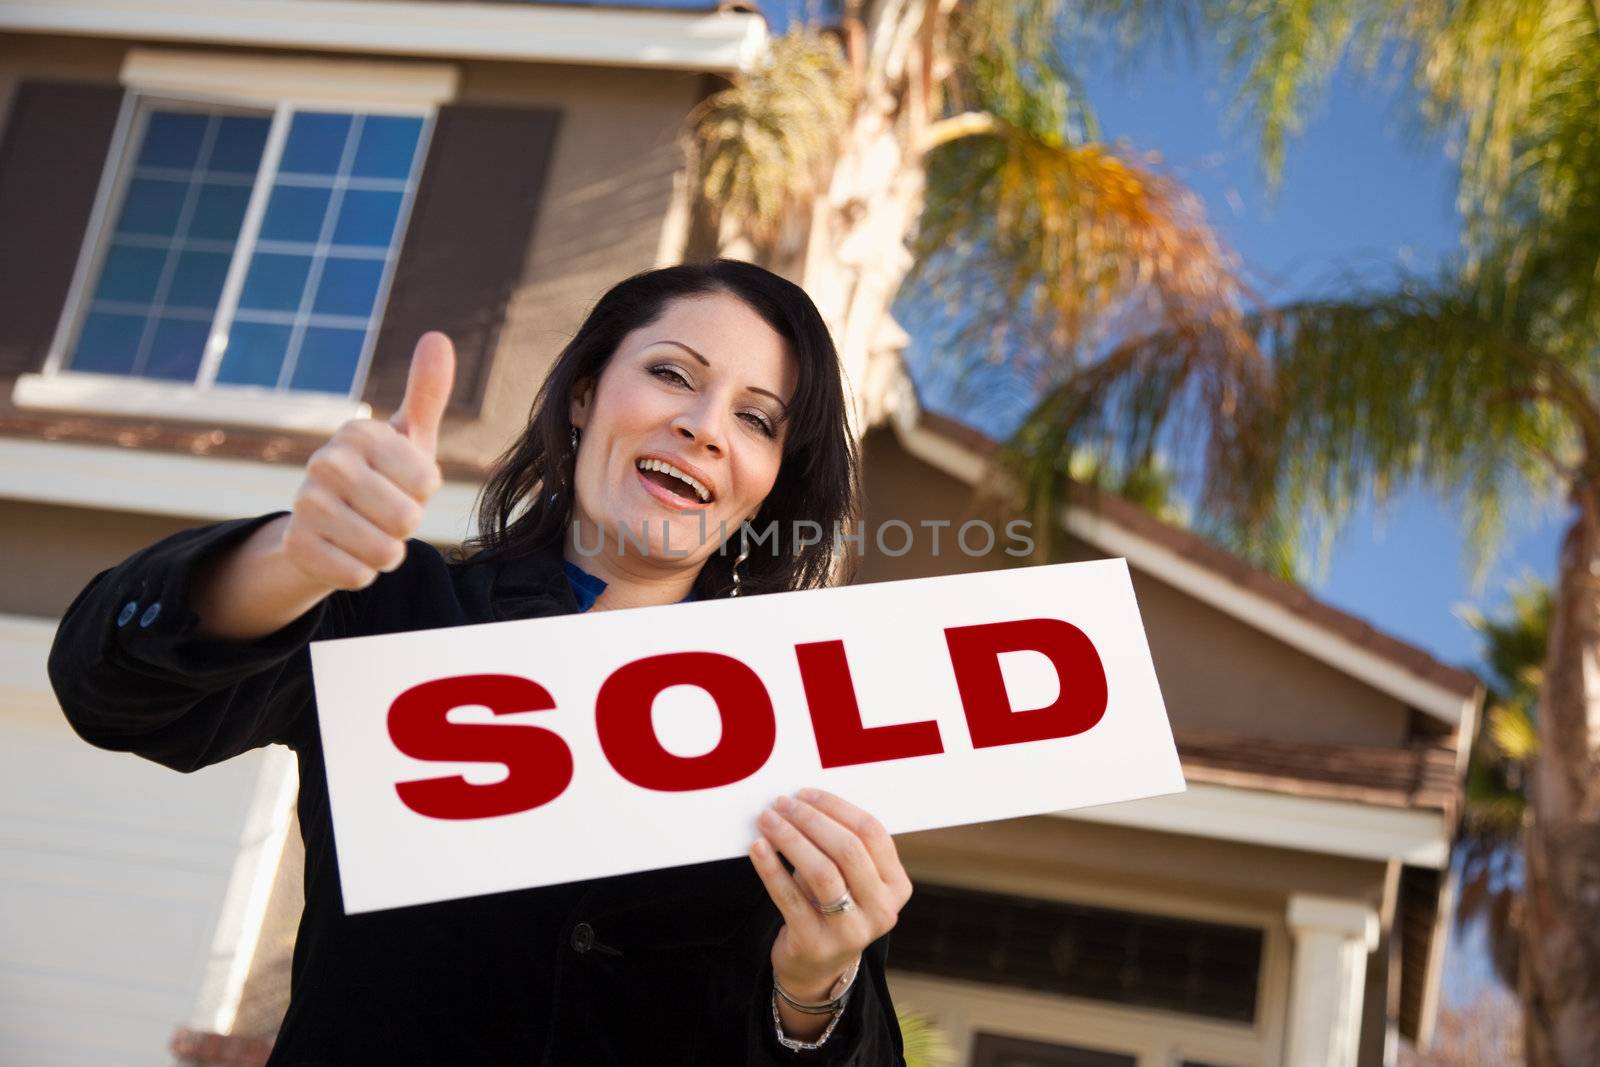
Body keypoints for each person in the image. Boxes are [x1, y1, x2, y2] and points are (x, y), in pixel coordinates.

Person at [47, 260, 911, 1065]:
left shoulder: (796, 720)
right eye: (673, 374)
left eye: (756, 419)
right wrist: (293, 559)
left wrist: (814, 989)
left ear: (772, 481)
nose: (703, 426)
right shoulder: (397, 608)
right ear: (583, 395)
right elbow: (110, 690)